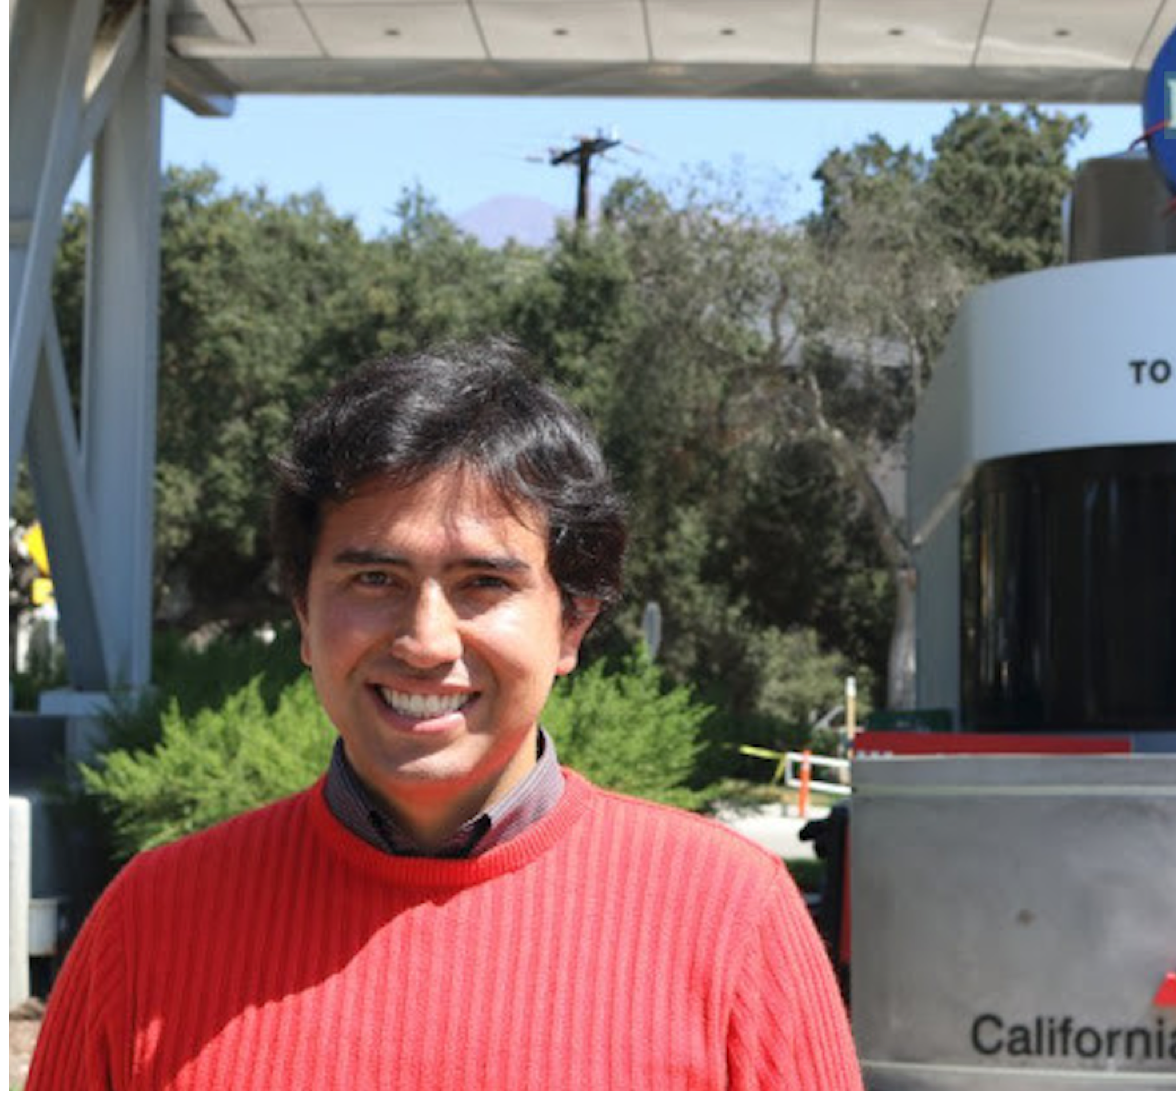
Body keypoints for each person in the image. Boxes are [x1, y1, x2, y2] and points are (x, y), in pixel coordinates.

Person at [28, 340, 861, 1089]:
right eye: (374, 580)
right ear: (303, 616)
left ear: (572, 623)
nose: (426, 641)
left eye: (484, 585)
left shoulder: (731, 918)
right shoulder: (150, 926)